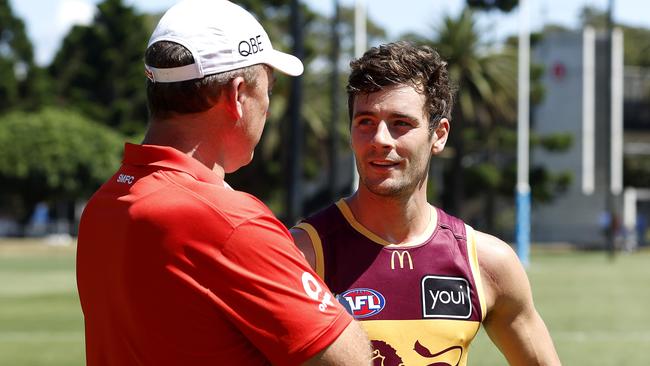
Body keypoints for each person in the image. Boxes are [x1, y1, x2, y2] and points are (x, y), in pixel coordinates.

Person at [76, 1, 371, 365]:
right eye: (269, 88)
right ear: (237, 96)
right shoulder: (230, 221)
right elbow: (352, 360)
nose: (267, 104)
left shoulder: (103, 205)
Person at [291, 41, 561, 366]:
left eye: (400, 124)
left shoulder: (486, 263)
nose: (380, 139)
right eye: (365, 122)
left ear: (440, 135)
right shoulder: (301, 256)